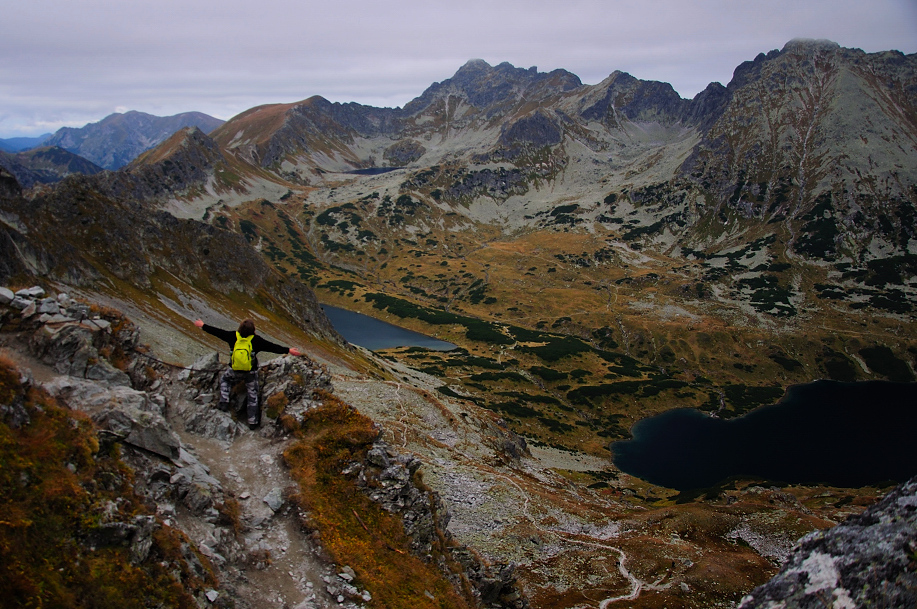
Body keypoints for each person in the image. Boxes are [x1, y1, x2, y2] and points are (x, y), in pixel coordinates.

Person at [194, 318, 302, 429]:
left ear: (239, 328)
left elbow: (218, 332)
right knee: (252, 393)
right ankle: (252, 421)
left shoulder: (233, 336)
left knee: (225, 380)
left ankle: (224, 402)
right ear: (253, 330)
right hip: (250, 373)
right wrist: (288, 350)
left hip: (234, 371)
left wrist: (203, 325)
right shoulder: (256, 340)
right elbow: (272, 346)